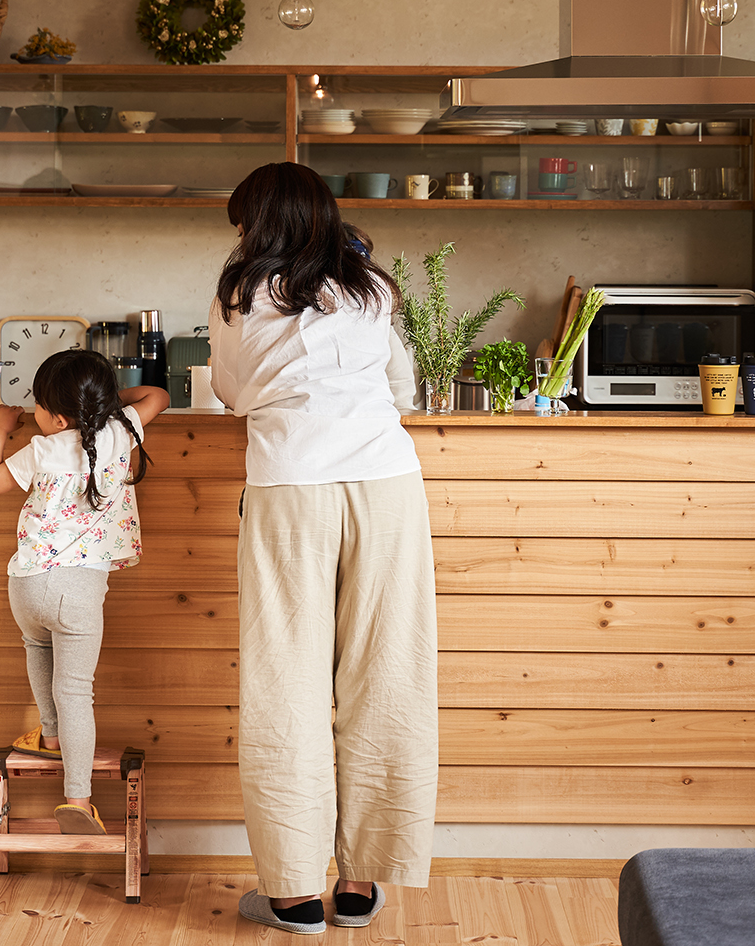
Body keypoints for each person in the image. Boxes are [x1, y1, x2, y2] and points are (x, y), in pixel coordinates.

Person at [208, 162, 436, 935]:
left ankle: (295, 892)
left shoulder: (240, 291)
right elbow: (401, 389)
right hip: (386, 485)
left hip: (291, 483)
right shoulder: (372, 286)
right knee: (386, 675)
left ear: (260, 224)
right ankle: (361, 884)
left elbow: (234, 395)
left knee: (287, 683)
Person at [0, 350, 168, 831]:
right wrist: (102, 405)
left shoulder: (44, 448)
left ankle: (53, 736)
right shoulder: (121, 430)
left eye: (39, 405)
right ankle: (78, 801)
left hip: (27, 583)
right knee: (76, 689)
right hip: (79, 589)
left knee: (35, 647)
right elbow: (159, 395)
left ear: (56, 416)